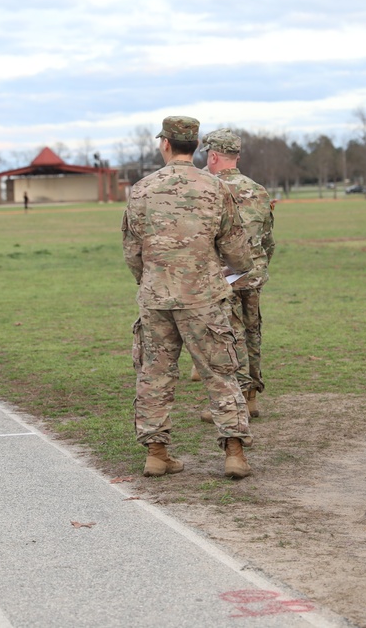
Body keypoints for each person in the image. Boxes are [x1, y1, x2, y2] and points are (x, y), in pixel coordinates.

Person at [122, 116, 255, 479]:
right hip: (204, 298)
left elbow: (132, 251)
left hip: (155, 298)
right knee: (221, 373)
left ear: (165, 144)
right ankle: (234, 452)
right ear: (196, 146)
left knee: (154, 375)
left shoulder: (141, 190)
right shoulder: (215, 188)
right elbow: (238, 252)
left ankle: (157, 452)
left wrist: (150, 278)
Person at [198, 128, 275, 420]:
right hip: (253, 275)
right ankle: (252, 395)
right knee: (252, 332)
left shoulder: (209, 188)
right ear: (237, 156)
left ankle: (234, 401)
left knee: (228, 337)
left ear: (214, 155)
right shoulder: (258, 189)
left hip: (222, 276)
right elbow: (268, 239)